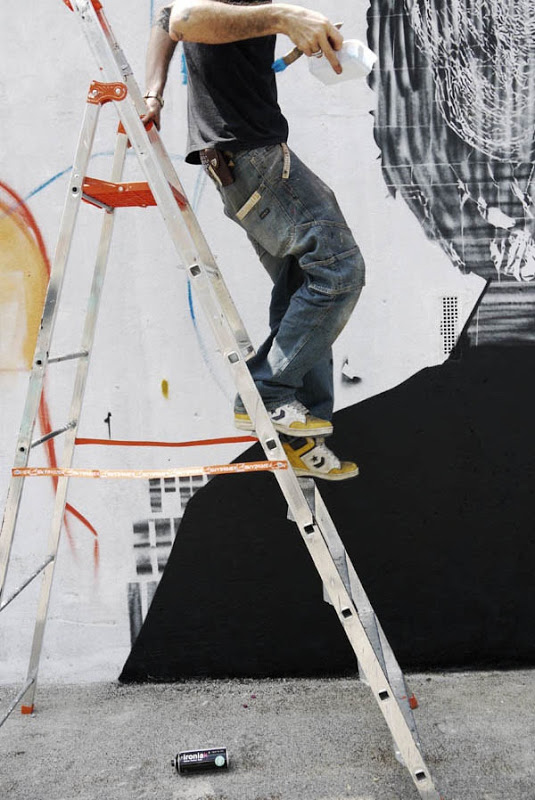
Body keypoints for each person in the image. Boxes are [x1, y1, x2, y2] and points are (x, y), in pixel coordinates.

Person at [143, 1, 365, 480]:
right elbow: (183, 19)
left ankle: (299, 435)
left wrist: (152, 93)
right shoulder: (259, 9)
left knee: (303, 283)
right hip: (250, 151)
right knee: (339, 269)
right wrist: (284, 18)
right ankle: (265, 392)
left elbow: (169, 17)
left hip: (238, 156)